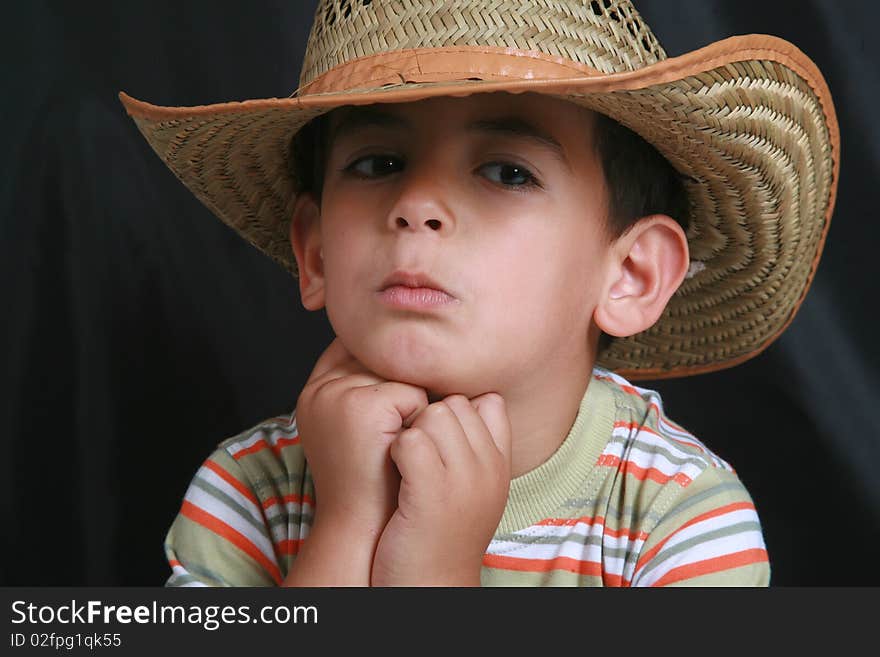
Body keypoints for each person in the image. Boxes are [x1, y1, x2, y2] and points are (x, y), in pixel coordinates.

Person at [118, 0, 838, 586]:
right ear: (315, 252)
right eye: (379, 162)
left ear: (631, 275)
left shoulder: (681, 519)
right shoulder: (246, 492)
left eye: (507, 172)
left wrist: (436, 576)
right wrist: (345, 524)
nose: (418, 202)